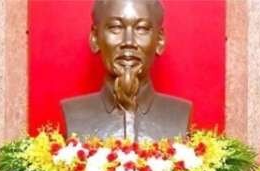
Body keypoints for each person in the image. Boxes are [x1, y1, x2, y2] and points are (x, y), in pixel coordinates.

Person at [61, 0, 192, 141]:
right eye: (115, 27)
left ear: (159, 40)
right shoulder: (73, 113)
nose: (128, 42)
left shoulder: (180, 113)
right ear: (95, 38)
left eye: (141, 28)